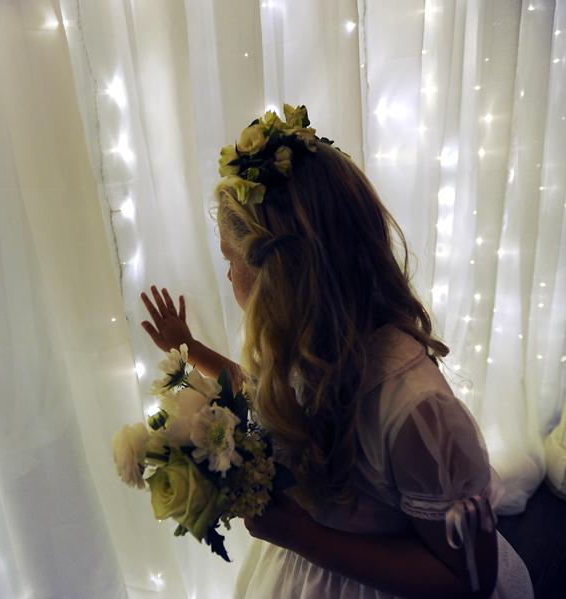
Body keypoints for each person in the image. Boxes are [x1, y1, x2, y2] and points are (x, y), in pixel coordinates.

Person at [140, 105, 533, 599]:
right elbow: (269, 395)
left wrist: (302, 536)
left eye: (229, 258)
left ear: (277, 273)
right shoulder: (310, 345)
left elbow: (465, 579)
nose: (227, 274)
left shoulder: (417, 410)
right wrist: (191, 349)